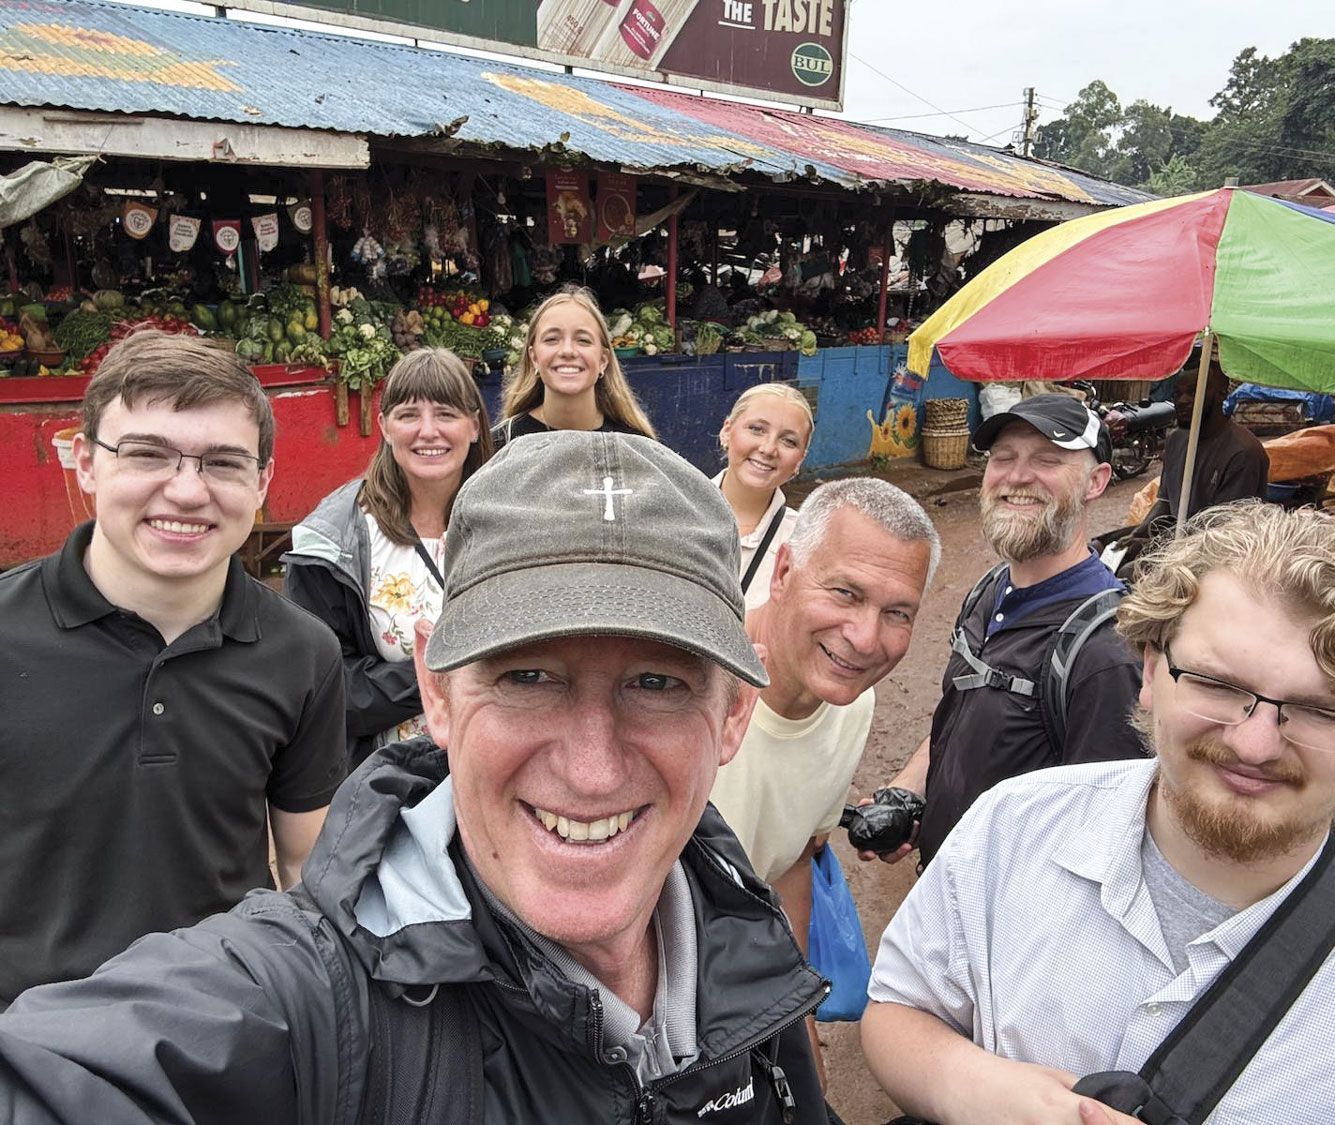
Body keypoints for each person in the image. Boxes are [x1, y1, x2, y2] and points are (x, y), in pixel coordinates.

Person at [0, 431, 830, 1125]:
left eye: (657, 683)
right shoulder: (307, 1001)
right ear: (434, 687)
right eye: (527, 677)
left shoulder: (740, 935)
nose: (592, 765)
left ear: (733, 713)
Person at [862, 503, 1335, 1124]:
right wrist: (974, 1090)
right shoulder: (1012, 828)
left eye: (1322, 710)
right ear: (1148, 669)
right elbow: (899, 1008)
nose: (1254, 745)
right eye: (1218, 684)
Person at [0, 330, 345, 1009]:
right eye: (147, 453)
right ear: (85, 463)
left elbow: (308, 866)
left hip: (224, 1036)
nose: (187, 492)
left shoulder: (301, 652)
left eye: (223, 462)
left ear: (262, 481)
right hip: (26, 1054)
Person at [865, 393, 1145, 868]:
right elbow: (961, 714)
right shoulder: (990, 589)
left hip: (1004, 922)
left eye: (1047, 460)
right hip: (943, 884)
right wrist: (909, 791)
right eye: (1003, 458)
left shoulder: (1107, 653)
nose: (1017, 476)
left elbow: (1102, 842)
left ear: (1096, 482)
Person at [711, 476, 938, 940]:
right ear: (782, 574)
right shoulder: (690, 684)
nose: (865, 639)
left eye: (897, 612)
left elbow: (793, 859)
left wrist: (796, 1003)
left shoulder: (852, 705)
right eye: (845, 593)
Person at [282, 348, 495, 767]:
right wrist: (439, 673)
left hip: (501, 769)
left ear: (473, 425)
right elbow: (318, 685)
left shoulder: (510, 522)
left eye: (446, 414)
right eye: (409, 415)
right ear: (384, 426)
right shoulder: (337, 540)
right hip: (387, 781)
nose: (428, 431)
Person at [1119, 347, 1268, 557]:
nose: (1183, 401)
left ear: (1220, 394)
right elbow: (1165, 503)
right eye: (1178, 394)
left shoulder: (1243, 453)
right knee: (1104, 548)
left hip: (1218, 552)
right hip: (1175, 535)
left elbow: (1224, 530)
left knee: (1129, 572)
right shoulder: (1176, 441)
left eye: (1194, 392)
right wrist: (1138, 533)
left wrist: (1154, 545)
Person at [492, 284, 655, 446]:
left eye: (583, 340)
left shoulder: (636, 448)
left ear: (603, 360)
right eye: (552, 339)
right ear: (534, 358)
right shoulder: (500, 446)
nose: (568, 351)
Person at [713, 382, 816, 608]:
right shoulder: (675, 512)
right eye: (757, 429)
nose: (769, 449)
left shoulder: (805, 543)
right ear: (727, 431)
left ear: (800, 460)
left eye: (788, 441)